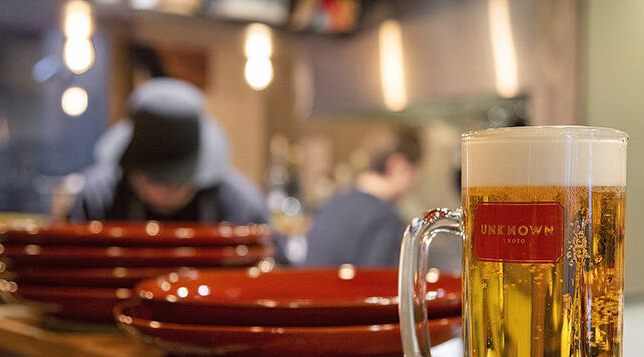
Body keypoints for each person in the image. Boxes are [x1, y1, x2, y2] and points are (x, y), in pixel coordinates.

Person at [68, 78, 269, 225]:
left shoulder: (242, 210)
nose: (159, 195)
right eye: (148, 180)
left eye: (175, 184)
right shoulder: (96, 201)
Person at [303, 129, 421, 267]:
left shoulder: (333, 202)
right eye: (416, 170)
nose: (417, 179)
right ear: (397, 165)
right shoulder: (385, 218)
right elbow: (376, 278)